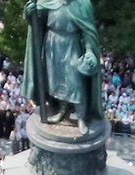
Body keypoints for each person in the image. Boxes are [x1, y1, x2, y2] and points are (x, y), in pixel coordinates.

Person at [22, 0, 103, 135]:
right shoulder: (49, 0)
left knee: (75, 84)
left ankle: (81, 117)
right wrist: (29, 12)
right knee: (56, 82)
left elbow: (88, 32)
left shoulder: (83, 4)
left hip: (72, 44)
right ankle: (62, 109)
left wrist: (89, 51)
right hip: (52, 44)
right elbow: (38, 19)